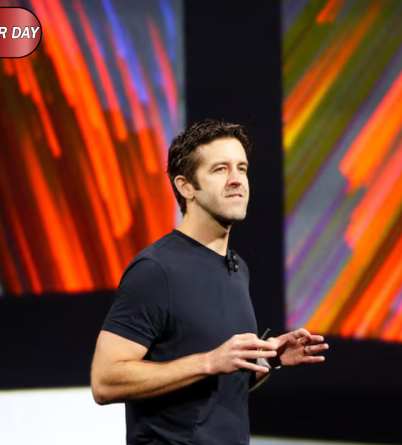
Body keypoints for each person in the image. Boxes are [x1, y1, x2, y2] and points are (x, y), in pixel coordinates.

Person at [91, 120, 328, 444]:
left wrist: (267, 360)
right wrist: (209, 361)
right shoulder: (155, 270)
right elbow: (105, 381)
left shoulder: (237, 268)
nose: (237, 180)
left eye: (242, 168)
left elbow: (219, 386)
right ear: (186, 186)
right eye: (220, 169)